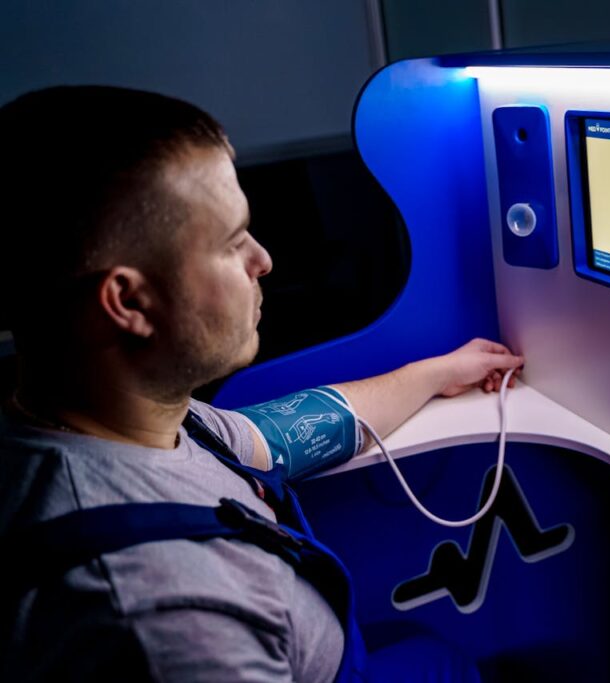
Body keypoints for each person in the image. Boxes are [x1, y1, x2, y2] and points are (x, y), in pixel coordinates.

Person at [0, 86, 523, 681]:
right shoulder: (169, 620)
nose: (263, 259)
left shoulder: (124, 419)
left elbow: (275, 436)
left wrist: (435, 374)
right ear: (128, 302)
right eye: (232, 242)